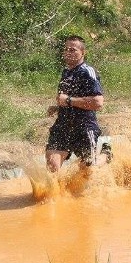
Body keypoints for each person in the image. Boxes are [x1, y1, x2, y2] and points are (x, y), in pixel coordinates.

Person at [46, 35, 106, 172]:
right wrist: (58, 106)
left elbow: (98, 102)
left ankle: (106, 154)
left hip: (84, 127)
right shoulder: (66, 72)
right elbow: (70, 99)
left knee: (87, 171)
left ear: (82, 53)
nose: (68, 52)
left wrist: (68, 100)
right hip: (64, 124)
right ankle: (54, 193)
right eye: (66, 49)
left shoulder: (88, 72)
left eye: (72, 50)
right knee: (52, 165)